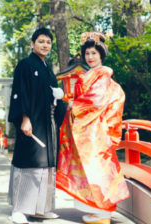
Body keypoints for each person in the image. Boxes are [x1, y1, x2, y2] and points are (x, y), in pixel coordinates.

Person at [56, 32, 130, 224]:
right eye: (87, 53)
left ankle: (102, 212)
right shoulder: (93, 74)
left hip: (96, 131)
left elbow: (96, 101)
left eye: (93, 53)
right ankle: (96, 210)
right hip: (91, 129)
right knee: (91, 169)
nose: (90, 57)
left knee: (97, 169)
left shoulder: (102, 75)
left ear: (101, 55)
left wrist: (74, 105)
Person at [7, 27, 66, 224]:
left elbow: (52, 97)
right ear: (32, 44)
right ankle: (20, 208)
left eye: (48, 42)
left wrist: (59, 99)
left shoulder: (48, 70)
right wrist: (24, 117)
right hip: (31, 121)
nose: (45, 45)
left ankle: (42, 207)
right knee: (28, 162)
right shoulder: (25, 65)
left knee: (47, 164)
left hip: (47, 122)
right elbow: (19, 92)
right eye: (41, 41)